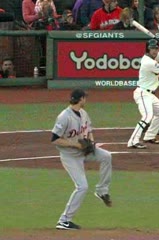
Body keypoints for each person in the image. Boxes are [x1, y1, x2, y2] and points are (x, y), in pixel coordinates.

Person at [51, 89, 112, 230]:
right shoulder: (64, 117)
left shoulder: (84, 113)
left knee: (106, 156)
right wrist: (75, 144)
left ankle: (102, 190)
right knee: (82, 187)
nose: (86, 100)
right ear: (81, 99)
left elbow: (89, 130)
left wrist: (91, 142)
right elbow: (54, 139)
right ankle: (64, 220)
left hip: (83, 151)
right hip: (70, 156)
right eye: (85, 98)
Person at [127, 39, 159, 149]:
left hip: (150, 94)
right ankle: (133, 141)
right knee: (147, 116)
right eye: (152, 48)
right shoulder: (148, 62)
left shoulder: (152, 57)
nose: (155, 51)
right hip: (143, 93)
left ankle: (149, 136)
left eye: (156, 48)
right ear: (147, 49)